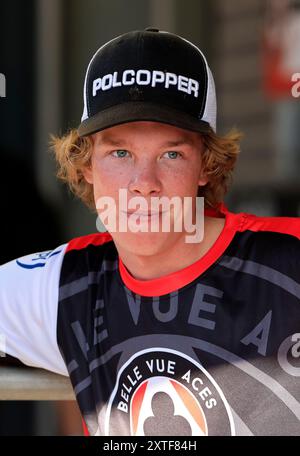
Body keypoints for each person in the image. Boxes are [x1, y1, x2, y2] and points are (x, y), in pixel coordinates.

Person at [0, 28, 299, 437]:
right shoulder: (63, 285)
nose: (144, 182)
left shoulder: (287, 261)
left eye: (171, 154)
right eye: (120, 153)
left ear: (207, 165)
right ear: (86, 165)